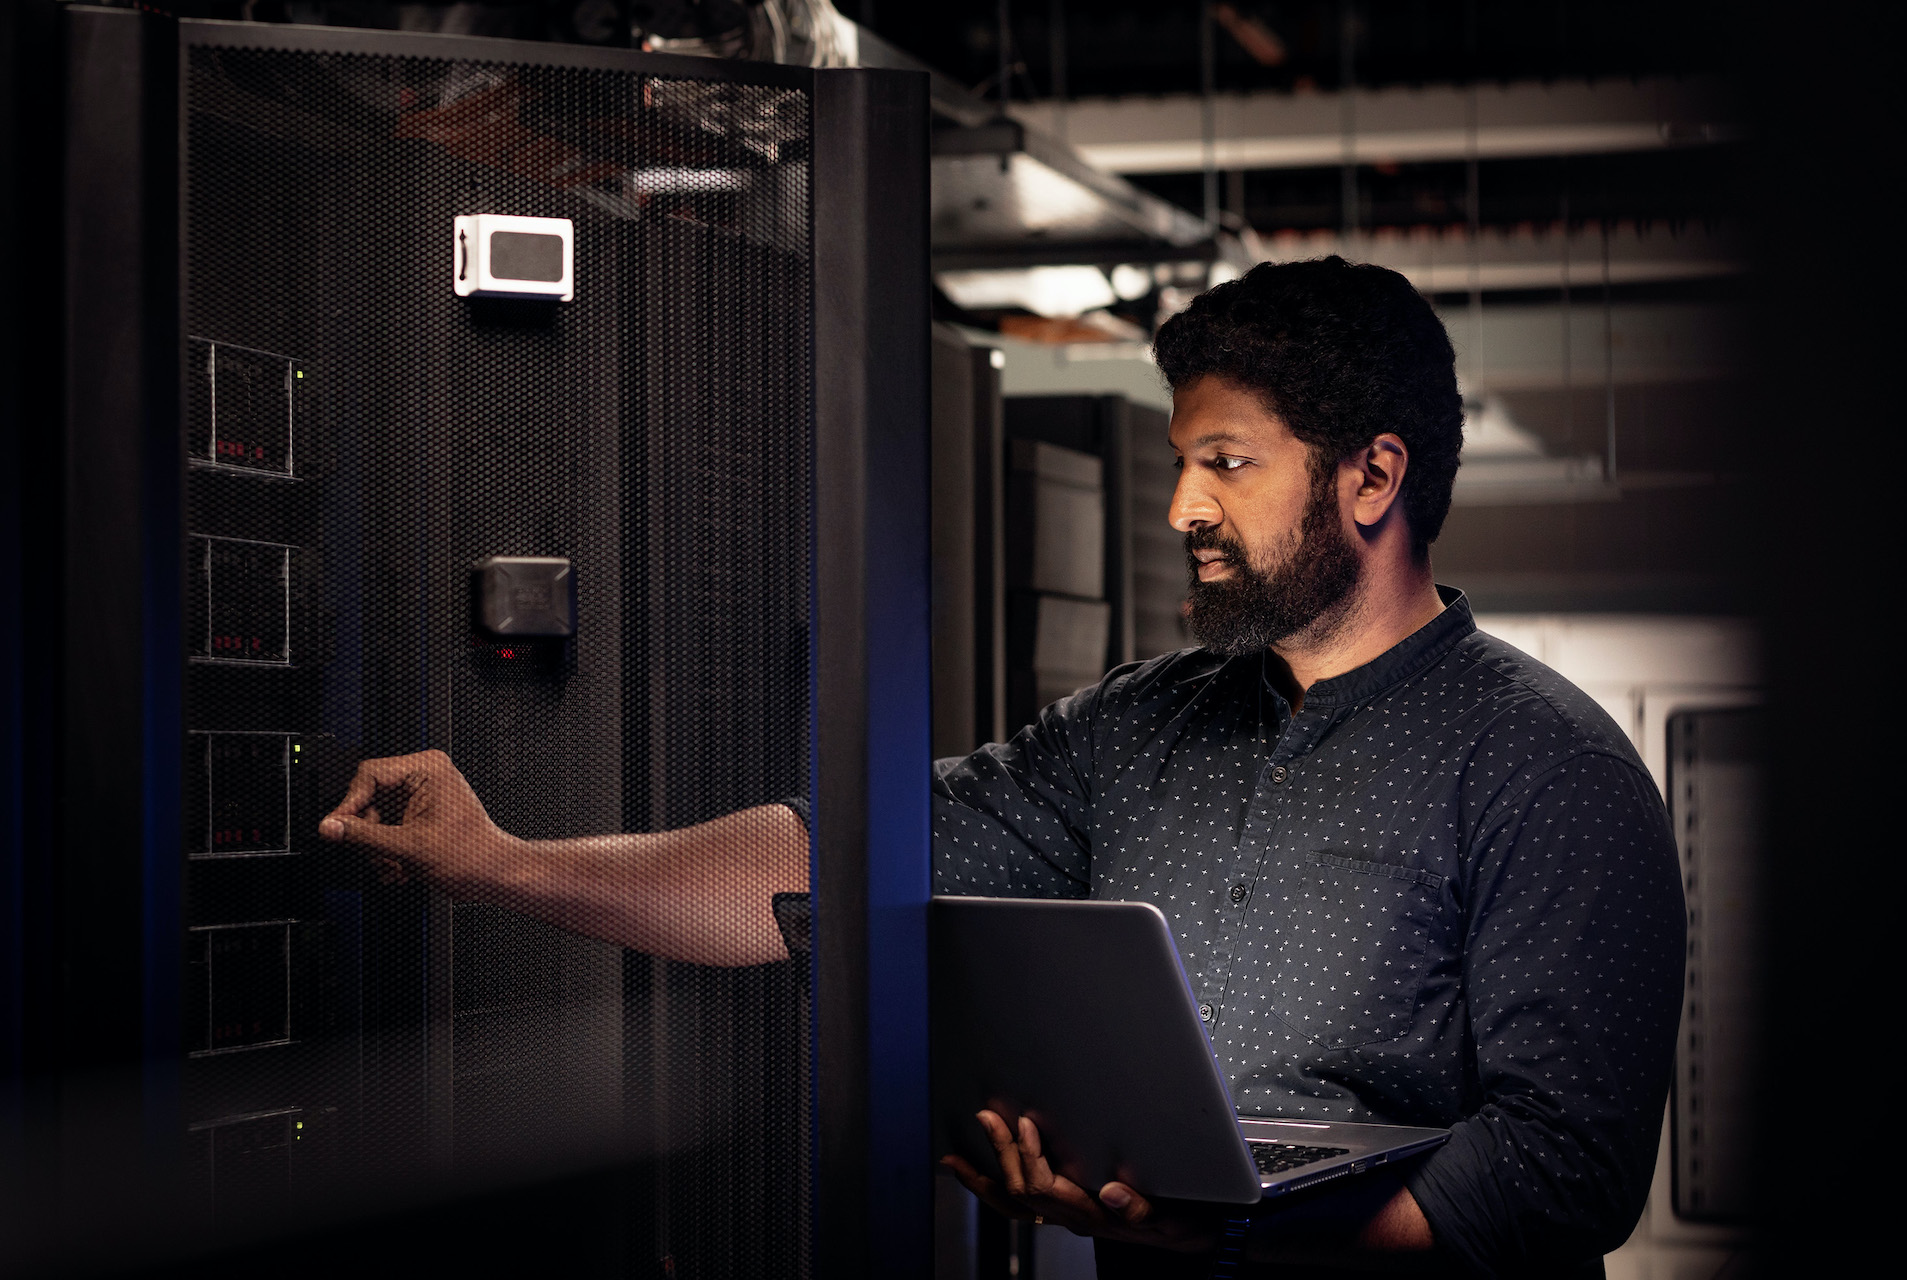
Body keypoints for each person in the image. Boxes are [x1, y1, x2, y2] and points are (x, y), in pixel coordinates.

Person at [319, 258, 1684, 1278]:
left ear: (1372, 479)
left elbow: (1562, 1170)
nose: (1180, 510)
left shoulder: (1547, 769)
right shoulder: (1136, 728)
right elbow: (826, 868)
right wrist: (499, 865)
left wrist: (1237, 1235)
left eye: (1227, 463)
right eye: (1178, 462)